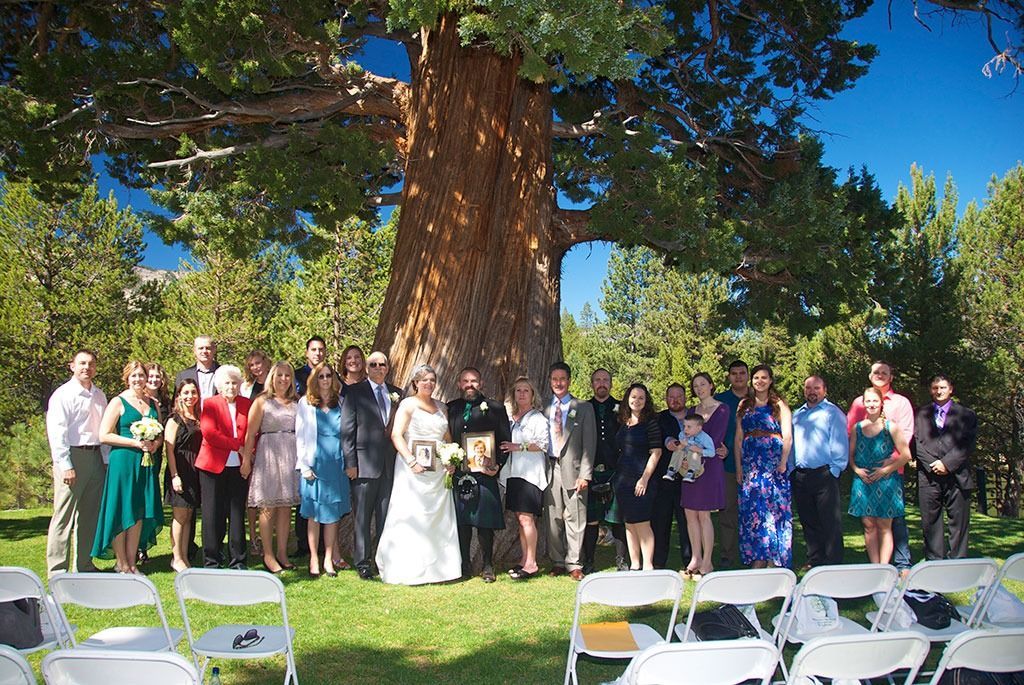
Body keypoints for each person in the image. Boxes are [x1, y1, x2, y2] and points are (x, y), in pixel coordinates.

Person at [375, 364, 461, 585]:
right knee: (412, 513)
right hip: (412, 469)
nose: (429, 384)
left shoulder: (442, 407)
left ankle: (441, 569)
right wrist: (411, 461)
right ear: (415, 383)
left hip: (438, 471)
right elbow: (396, 435)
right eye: (424, 380)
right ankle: (408, 567)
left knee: (438, 517)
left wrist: (451, 459)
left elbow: (447, 437)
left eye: (432, 380)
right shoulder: (408, 404)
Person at [92, 360, 164, 573]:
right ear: (126, 378)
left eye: (141, 375)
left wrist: (154, 444)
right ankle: (121, 562)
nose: (138, 379)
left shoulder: (152, 403)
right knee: (122, 508)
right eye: (134, 376)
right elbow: (104, 434)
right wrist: (135, 443)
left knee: (139, 510)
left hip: (145, 463)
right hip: (123, 461)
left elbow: (159, 434)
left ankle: (132, 563)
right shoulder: (118, 401)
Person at [846, 360, 914, 573]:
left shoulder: (898, 410)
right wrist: (856, 470)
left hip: (888, 478)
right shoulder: (858, 421)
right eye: (868, 401)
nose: (871, 404)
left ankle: (890, 568)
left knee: (888, 526)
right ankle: (874, 568)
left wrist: (888, 466)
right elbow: (850, 447)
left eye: (875, 401)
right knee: (868, 525)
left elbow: (906, 450)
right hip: (864, 479)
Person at [45, 349, 108, 577]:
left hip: (95, 457)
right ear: (72, 366)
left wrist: (106, 460)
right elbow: (57, 432)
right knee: (64, 515)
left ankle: (85, 565)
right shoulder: (63, 395)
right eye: (82, 363)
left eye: (91, 364)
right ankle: (57, 570)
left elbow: (103, 430)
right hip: (73, 456)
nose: (86, 368)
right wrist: (65, 464)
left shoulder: (99, 395)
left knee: (90, 515)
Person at [447, 367, 512, 582]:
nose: (470, 385)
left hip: (485, 474)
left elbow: (504, 441)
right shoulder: (451, 408)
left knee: (484, 523)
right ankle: (464, 565)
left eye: (474, 380)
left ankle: (487, 565)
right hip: (459, 474)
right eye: (465, 381)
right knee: (463, 522)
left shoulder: (494, 407)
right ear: (459, 384)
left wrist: (498, 465)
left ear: (481, 383)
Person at [341, 350, 402, 579]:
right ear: (367, 368)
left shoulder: (397, 393)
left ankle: (383, 558)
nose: (378, 368)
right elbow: (347, 430)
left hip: (389, 465)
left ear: (388, 367)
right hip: (364, 465)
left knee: (385, 515)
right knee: (363, 518)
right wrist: (351, 462)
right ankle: (363, 561)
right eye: (373, 364)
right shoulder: (355, 392)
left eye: (382, 364)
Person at [242, 361, 300, 574]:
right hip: (268, 456)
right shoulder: (261, 401)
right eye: (280, 375)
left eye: (287, 376)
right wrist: (246, 460)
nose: (283, 379)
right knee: (267, 507)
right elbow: (250, 434)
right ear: (272, 378)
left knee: (285, 507)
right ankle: (267, 554)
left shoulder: (297, 402)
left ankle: (282, 552)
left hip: (290, 457)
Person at [913, 375, 978, 560]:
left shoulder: (966, 415)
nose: (938, 391)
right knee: (930, 521)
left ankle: (957, 561)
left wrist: (947, 464)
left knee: (959, 522)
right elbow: (915, 441)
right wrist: (932, 464)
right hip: (928, 475)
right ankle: (934, 561)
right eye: (935, 388)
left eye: (942, 387)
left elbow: (967, 444)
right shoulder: (920, 414)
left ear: (951, 389)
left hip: (957, 474)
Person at [735, 364, 793, 569]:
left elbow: (787, 437)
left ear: (770, 380)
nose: (760, 381)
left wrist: (783, 461)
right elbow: (738, 438)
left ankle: (773, 559)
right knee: (754, 511)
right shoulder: (744, 405)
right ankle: (757, 556)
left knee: (773, 509)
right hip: (751, 464)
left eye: (764, 378)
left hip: (773, 464)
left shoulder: (780, 405)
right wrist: (739, 467)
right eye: (756, 378)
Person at [296, 362, 351, 577]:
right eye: (321, 376)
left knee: (333, 514)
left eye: (329, 376)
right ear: (314, 380)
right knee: (314, 515)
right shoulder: (306, 404)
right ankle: (313, 558)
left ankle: (329, 559)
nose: (325, 380)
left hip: (336, 464)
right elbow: (300, 437)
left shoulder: (342, 403)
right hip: (315, 463)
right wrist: (304, 465)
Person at [195, 365, 251, 569]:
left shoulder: (247, 404)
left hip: (239, 467)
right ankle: (212, 560)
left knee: (236, 514)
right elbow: (210, 433)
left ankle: (238, 560)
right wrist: (238, 445)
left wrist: (247, 458)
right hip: (212, 466)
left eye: (235, 382)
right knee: (212, 514)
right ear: (219, 386)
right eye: (227, 382)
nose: (231, 386)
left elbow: (253, 433)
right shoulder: (210, 404)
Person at [790, 375, 849, 568]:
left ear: (824, 390)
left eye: (816, 388)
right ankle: (815, 559)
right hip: (801, 475)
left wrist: (835, 469)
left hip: (824, 474)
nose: (812, 392)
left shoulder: (833, 413)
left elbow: (840, 442)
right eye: (808, 388)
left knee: (829, 521)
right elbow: (792, 444)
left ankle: (832, 562)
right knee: (808, 520)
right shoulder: (797, 414)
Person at [544, 362, 596, 581]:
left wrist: (585, 473)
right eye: (555, 379)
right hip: (549, 468)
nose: (558, 383)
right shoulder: (544, 408)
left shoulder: (583, 407)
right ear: (550, 381)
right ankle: (557, 560)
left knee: (575, 516)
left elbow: (589, 443)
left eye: (562, 379)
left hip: (574, 470)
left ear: (569, 380)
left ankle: (574, 563)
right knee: (553, 516)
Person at [677, 373, 729, 578]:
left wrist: (693, 448)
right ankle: (695, 557)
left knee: (704, 515)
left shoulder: (722, 409)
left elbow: (715, 439)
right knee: (690, 514)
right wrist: (684, 454)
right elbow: (685, 437)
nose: (699, 388)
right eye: (695, 385)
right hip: (690, 465)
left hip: (709, 465)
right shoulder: (691, 411)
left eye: (703, 384)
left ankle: (707, 561)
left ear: (711, 385)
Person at [499, 376, 550, 580]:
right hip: (514, 474)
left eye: (526, 391)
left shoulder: (538, 418)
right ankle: (524, 559)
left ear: (533, 394)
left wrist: (518, 447)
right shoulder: (512, 418)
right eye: (518, 390)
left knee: (528, 519)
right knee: (521, 519)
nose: (521, 394)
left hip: (530, 475)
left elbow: (543, 444)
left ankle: (532, 563)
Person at [582, 368, 629, 573]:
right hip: (590, 468)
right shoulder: (584, 407)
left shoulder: (621, 407)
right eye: (597, 380)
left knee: (617, 518)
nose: (601, 383)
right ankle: (589, 561)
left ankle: (621, 560)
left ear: (611, 383)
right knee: (591, 519)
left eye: (605, 380)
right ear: (592, 384)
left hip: (615, 470)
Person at [613, 383, 663, 571]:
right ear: (627, 399)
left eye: (641, 398)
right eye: (634, 397)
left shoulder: (650, 423)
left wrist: (644, 479)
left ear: (646, 401)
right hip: (623, 480)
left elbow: (656, 452)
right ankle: (635, 565)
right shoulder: (623, 422)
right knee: (629, 524)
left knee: (642, 523)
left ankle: (648, 565)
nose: (637, 401)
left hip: (642, 479)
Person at [164, 378, 202, 572]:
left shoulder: (198, 417)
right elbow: (169, 450)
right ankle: (176, 557)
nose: (190, 396)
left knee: (189, 515)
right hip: (179, 469)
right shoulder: (174, 419)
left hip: (195, 470)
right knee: (179, 515)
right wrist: (174, 475)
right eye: (186, 393)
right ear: (179, 395)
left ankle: (184, 556)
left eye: (193, 392)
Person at [714, 360, 748, 568]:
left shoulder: (757, 398)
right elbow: (711, 430)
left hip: (754, 465)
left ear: (748, 375)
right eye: (734, 373)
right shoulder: (721, 401)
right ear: (728, 376)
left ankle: (753, 553)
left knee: (753, 512)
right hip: (726, 466)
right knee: (727, 512)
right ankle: (727, 555)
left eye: (742, 373)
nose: (738, 377)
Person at [654, 384, 691, 570]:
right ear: (666, 399)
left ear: (685, 397)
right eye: (671, 397)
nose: (675, 400)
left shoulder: (695, 417)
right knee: (661, 522)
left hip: (689, 480)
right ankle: (659, 563)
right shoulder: (659, 418)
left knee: (688, 523)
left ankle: (690, 561)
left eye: (679, 396)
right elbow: (658, 439)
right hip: (665, 479)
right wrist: (669, 441)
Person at [241, 349, 271, 553]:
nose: (255, 367)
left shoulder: (276, 382)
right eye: (251, 365)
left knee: (271, 494)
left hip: (271, 442)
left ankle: (268, 534)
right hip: (252, 440)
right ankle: (253, 537)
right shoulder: (246, 387)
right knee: (252, 494)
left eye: (258, 363)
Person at [664, 415, 715, 482]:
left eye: (689, 427)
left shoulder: (705, 438)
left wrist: (699, 450)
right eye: (684, 426)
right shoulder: (682, 434)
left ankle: (692, 472)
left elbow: (712, 453)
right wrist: (679, 445)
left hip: (696, 459)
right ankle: (672, 470)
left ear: (699, 428)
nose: (685, 429)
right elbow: (682, 446)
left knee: (693, 451)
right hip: (684, 458)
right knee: (679, 450)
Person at [175, 335, 219, 402]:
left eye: (208, 348)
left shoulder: (224, 373)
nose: (204, 351)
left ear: (214, 350)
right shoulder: (183, 376)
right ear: (194, 350)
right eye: (201, 348)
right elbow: (176, 402)